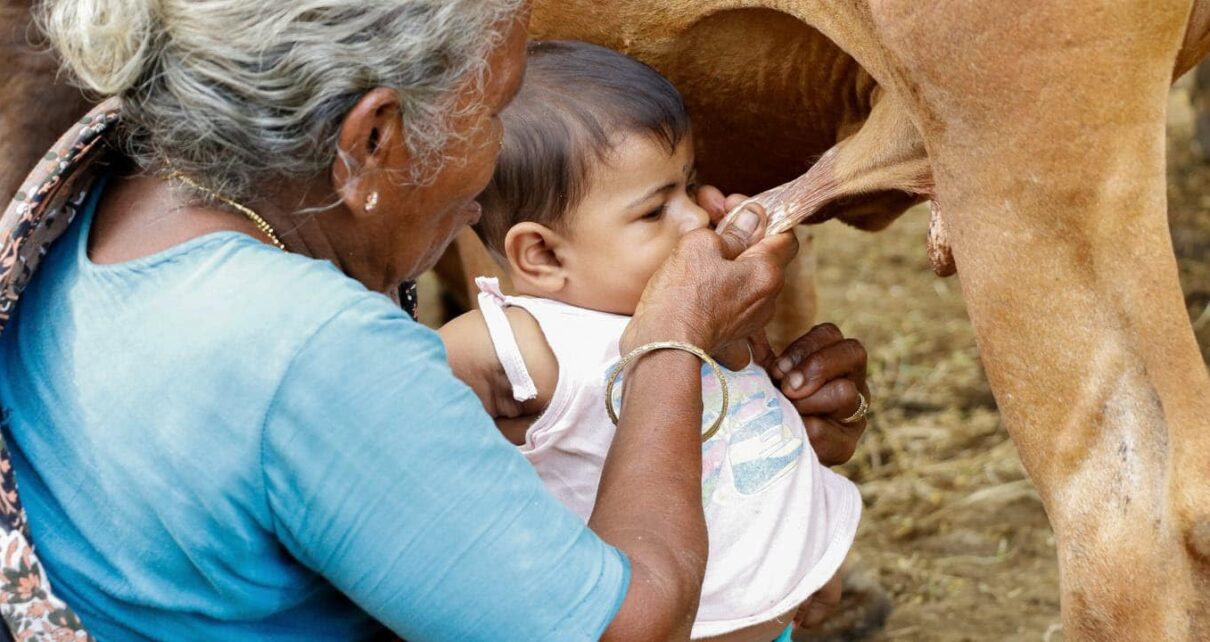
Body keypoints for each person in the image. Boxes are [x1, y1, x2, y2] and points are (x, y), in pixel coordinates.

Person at [0, 1, 867, 640]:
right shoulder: (318, 353)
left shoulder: (112, 206)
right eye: (493, 112)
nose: (493, 173)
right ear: (375, 139)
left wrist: (734, 445)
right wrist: (671, 343)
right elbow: (624, 630)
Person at [439, 41, 868, 642]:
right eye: (653, 211)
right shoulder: (523, 340)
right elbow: (395, 396)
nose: (694, 219)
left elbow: (753, 446)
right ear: (540, 255)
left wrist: (811, 560)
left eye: (689, 187)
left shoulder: (704, 308)